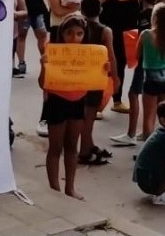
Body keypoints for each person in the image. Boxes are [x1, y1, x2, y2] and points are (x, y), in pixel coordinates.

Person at [39, 14, 99, 200]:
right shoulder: (53, 52)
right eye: (70, 33)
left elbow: (94, 81)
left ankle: (70, 188)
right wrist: (43, 66)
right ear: (62, 34)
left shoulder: (88, 54)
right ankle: (54, 190)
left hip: (77, 101)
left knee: (72, 147)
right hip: (56, 101)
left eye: (80, 34)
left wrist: (101, 70)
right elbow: (43, 83)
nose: (74, 38)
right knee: (55, 148)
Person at [111, 0, 160, 147]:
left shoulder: (146, 15)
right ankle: (147, 132)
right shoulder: (160, 13)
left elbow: (145, 38)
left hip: (146, 61)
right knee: (152, 98)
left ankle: (132, 133)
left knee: (135, 94)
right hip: (158, 62)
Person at [37, 0, 80, 138]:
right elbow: (57, 11)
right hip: (58, 33)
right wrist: (76, 8)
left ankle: (67, 114)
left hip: (73, 33)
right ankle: (45, 117)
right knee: (53, 76)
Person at [92, 0, 136, 114]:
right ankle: (97, 103)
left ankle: (117, 100)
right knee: (104, 63)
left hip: (127, 27)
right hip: (108, 25)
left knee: (121, 62)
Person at [79, 0, 120, 165]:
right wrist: (116, 78)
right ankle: (84, 151)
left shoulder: (77, 27)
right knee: (89, 116)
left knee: (83, 114)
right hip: (95, 78)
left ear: (81, 10)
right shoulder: (105, 31)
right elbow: (111, 56)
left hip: (78, 76)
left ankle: (88, 145)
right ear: (100, 9)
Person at [140, 3, 165, 139]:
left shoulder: (145, 35)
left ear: (154, 18)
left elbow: (136, 55)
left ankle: (147, 145)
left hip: (151, 78)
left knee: (149, 116)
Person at [15, 0, 49, 78]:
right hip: (25, 11)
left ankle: (45, 58)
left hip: (38, 10)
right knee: (21, 36)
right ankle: (21, 62)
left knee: (42, 35)